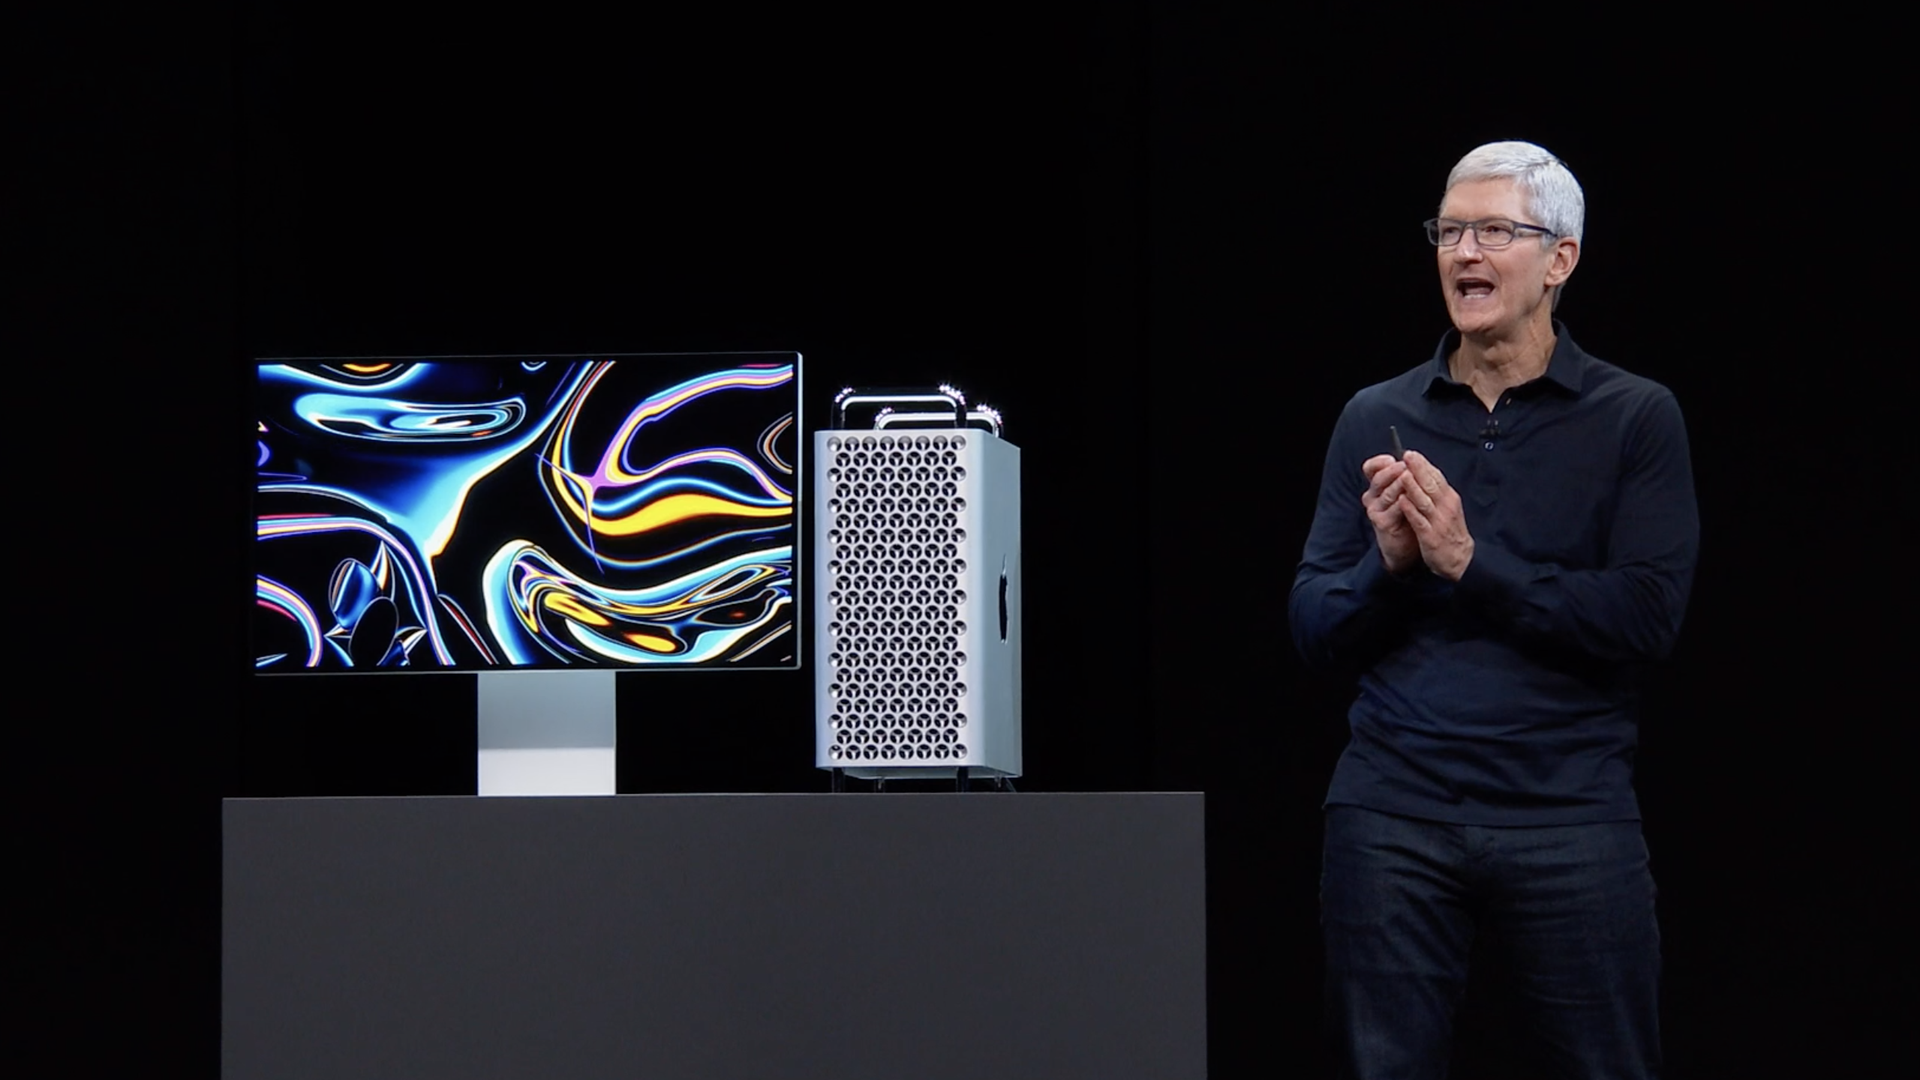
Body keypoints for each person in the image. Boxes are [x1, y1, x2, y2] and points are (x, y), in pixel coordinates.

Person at [1288, 141, 1699, 1078]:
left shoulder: (1635, 417)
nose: (1465, 253)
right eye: (1449, 231)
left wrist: (1473, 565)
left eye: (1495, 232)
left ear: (1561, 258)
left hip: (1570, 813)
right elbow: (1312, 626)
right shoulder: (1374, 416)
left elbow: (1647, 617)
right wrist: (1390, 568)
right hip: (1392, 814)